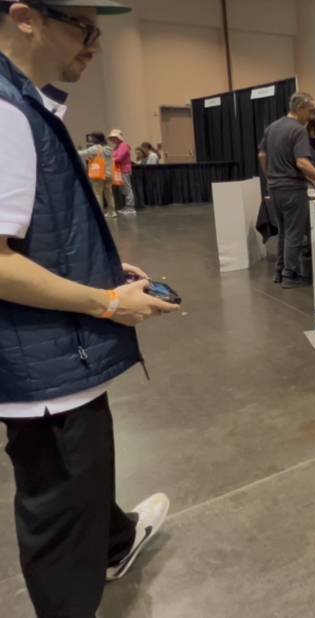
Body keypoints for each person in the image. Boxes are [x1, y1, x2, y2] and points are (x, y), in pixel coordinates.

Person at [0, 3, 180, 618]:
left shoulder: (25, 104)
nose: (96, 44)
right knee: (60, 516)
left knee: (82, 476)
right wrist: (107, 302)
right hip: (46, 371)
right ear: (26, 17)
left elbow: (37, 233)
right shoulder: (6, 112)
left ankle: (115, 541)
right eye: (84, 25)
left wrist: (103, 268)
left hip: (53, 357)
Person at [258, 92, 315, 288]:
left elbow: (262, 155)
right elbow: (302, 162)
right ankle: (290, 275)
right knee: (294, 233)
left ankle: (279, 271)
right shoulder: (298, 130)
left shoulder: (272, 128)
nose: (311, 116)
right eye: (309, 111)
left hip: (275, 189)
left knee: (283, 231)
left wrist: (270, 177)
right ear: (299, 108)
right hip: (292, 189)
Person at [78, 130, 116, 218]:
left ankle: (99, 212)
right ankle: (112, 211)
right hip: (109, 174)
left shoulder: (95, 148)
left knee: (98, 194)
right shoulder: (108, 148)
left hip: (98, 175)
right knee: (109, 194)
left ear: (95, 138)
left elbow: (82, 154)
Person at [108, 128, 136, 214]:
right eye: (112, 138)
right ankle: (128, 206)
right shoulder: (117, 146)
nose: (113, 140)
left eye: (114, 138)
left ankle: (130, 207)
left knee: (127, 189)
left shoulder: (123, 146)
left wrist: (110, 159)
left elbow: (119, 158)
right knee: (124, 189)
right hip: (119, 170)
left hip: (124, 170)